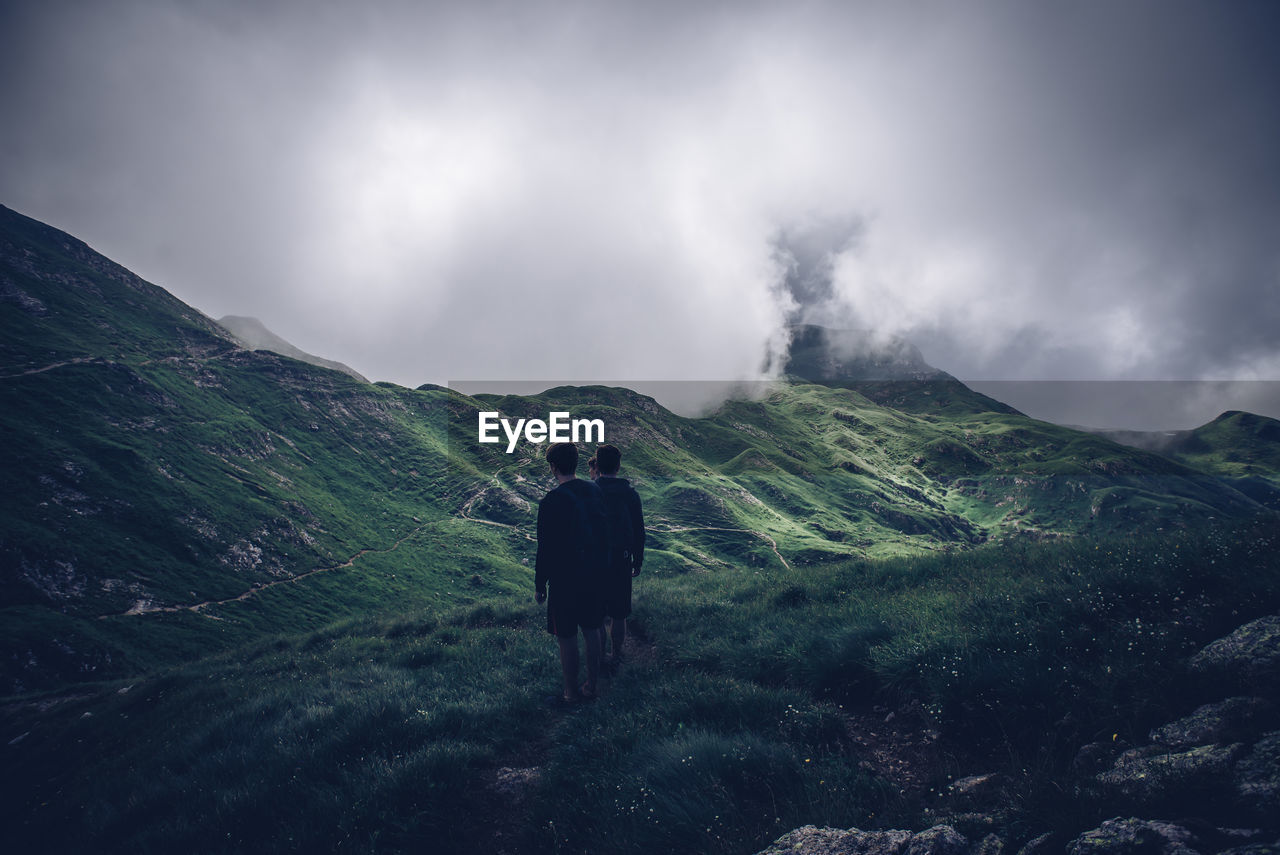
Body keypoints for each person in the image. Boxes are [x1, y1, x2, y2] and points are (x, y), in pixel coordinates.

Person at [535, 442, 608, 703]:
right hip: (594, 572)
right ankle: (593, 685)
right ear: (576, 462)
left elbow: (545, 548)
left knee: (566, 636)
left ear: (553, 467)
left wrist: (540, 584)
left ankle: (570, 691)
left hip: (564, 579)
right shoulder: (595, 492)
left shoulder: (550, 502)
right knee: (592, 629)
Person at [590, 443, 645, 671]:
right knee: (619, 612)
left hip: (594, 560)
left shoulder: (590, 491)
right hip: (622, 560)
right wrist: (637, 560)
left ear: (598, 465)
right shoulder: (630, 494)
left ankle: (600, 656)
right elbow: (638, 530)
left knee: (598, 613)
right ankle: (617, 654)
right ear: (619, 466)